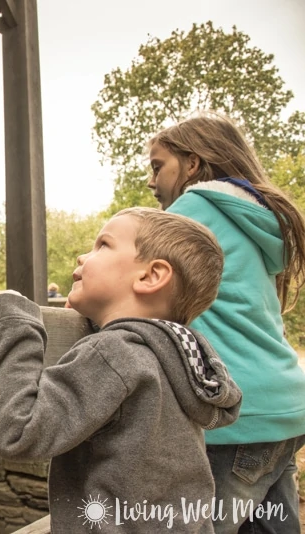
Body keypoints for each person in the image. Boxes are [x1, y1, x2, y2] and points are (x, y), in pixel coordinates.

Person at [0, 207, 242, 533]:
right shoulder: (178, 358)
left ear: (150, 276)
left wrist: (21, 322)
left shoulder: (113, 354)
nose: (81, 256)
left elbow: (18, 432)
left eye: (102, 245)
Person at [147, 112, 305, 533]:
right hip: (285, 407)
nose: (151, 181)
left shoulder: (195, 207)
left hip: (236, 419)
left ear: (193, 164)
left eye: (158, 165)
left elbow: (134, 281)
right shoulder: (256, 221)